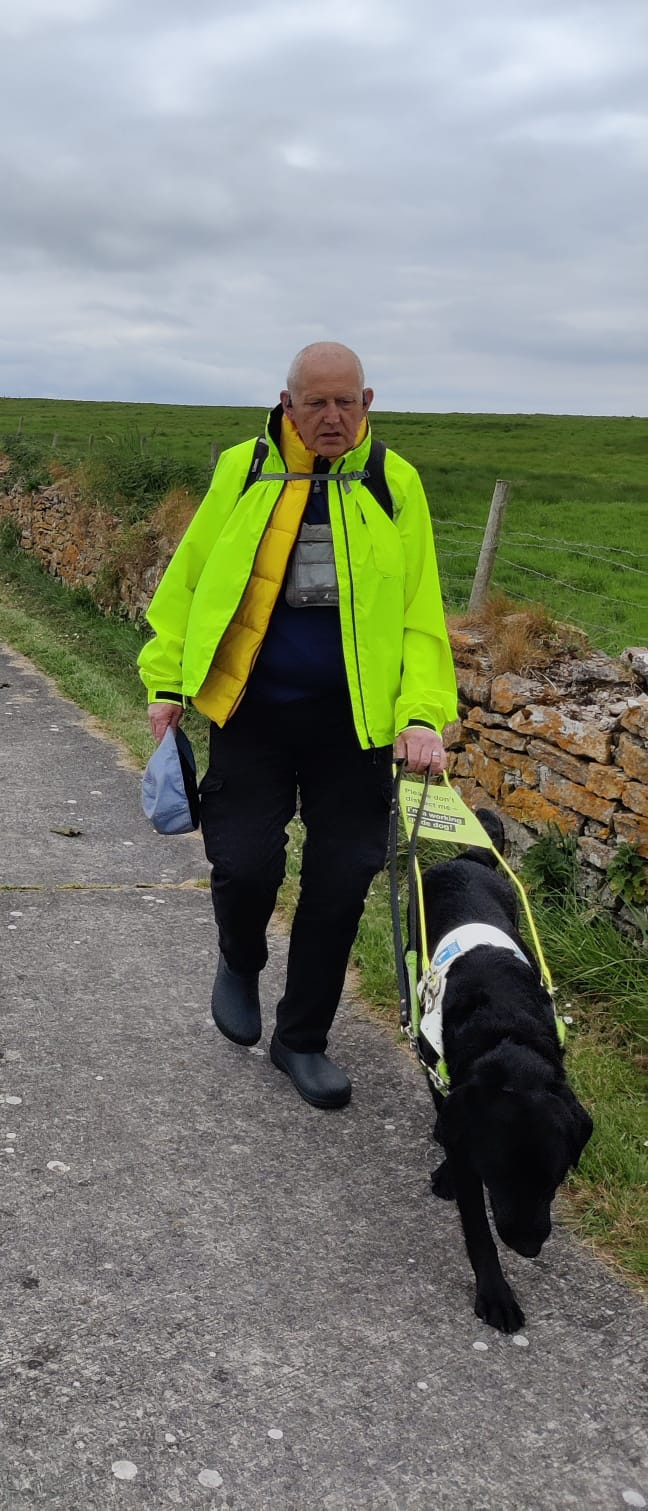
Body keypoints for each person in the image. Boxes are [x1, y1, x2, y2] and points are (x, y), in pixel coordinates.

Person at [138, 342, 457, 1110]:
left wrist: (419, 714)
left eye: (346, 401)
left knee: (341, 881)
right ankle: (238, 957)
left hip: (356, 727)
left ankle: (302, 1038)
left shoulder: (392, 483)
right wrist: (168, 678)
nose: (332, 416)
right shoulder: (244, 471)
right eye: (314, 402)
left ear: (368, 401)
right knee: (245, 862)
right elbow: (191, 578)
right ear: (287, 404)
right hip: (251, 707)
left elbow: (420, 614)